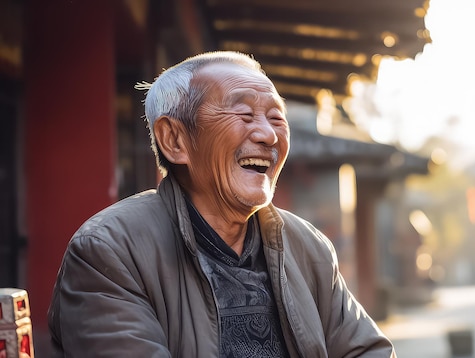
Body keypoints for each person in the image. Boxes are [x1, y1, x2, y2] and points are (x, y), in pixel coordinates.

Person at [47, 51, 396, 357]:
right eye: (244, 115)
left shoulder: (307, 247)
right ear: (175, 139)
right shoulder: (109, 251)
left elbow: (365, 350)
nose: (268, 135)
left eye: (276, 118)